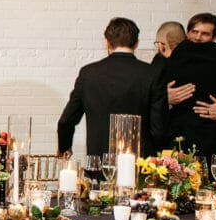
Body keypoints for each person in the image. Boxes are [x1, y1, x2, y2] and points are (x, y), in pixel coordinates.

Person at [57, 17, 167, 158]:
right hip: (139, 161)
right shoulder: (152, 73)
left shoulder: (88, 73)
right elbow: (159, 128)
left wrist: (64, 146)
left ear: (107, 42)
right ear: (136, 43)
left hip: (98, 160)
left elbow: (66, 120)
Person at [153, 22, 216, 158]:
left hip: (202, 141)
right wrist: (164, 99)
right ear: (187, 34)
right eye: (194, 32)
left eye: (205, 34)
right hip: (185, 140)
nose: (198, 38)